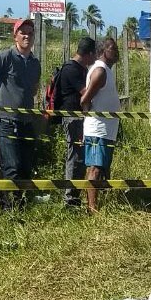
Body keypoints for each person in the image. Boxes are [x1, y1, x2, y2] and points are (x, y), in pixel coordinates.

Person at [0, 18, 41, 208]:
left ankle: (21, 205)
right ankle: (9, 208)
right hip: (6, 121)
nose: (26, 36)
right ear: (15, 36)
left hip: (26, 121)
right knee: (11, 166)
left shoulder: (35, 63)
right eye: (23, 32)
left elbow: (35, 88)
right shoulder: (5, 57)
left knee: (25, 166)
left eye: (30, 33)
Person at [80, 37, 121, 213]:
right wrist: (88, 112)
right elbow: (84, 99)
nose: (116, 51)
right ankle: (92, 207)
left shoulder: (106, 71)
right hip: (98, 129)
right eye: (112, 48)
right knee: (95, 168)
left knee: (100, 166)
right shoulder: (100, 71)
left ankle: (95, 202)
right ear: (103, 51)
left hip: (106, 129)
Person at [57, 37, 97, 208]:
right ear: (88, 54)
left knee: (80, 157)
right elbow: (86, 92)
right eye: (94, 55)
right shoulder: (72, 69)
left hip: (80, 118)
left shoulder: (80, 68)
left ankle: (74, 196)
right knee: (75, 156)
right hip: (72, 118)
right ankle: (70, 199)